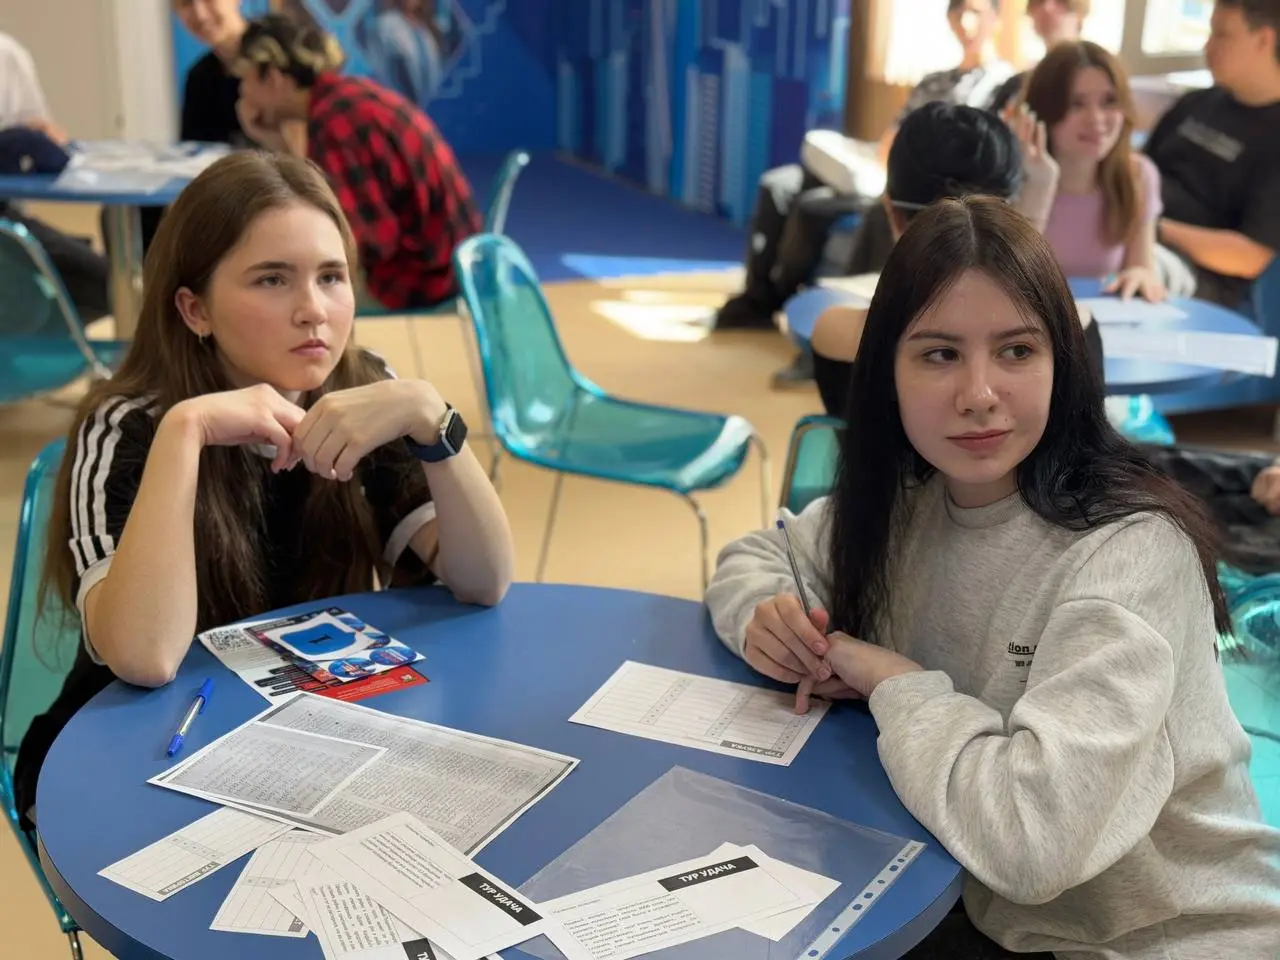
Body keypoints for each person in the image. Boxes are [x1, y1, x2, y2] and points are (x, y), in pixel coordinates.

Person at [706, 196, 1280, 958]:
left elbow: (1031, 839)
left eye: (1016, 351)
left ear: (1060, 364)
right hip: (981, 907)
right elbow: (758, 556)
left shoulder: (1129, 552)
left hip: (1165, 936)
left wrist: (893, 680)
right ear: (890, 373)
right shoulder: (907, 504)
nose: (979, 394)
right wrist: (764, 616)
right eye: (939, 354)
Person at [12, 151, 514, 828]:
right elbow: (145, 655)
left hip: (298, 735)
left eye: (331, 277)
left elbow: (483, 581)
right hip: (126, 755)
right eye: (272, 280)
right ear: (195, 310)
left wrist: (432, 416)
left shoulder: (366, 391)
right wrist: (186, 433)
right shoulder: (129, 425)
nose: (314, 311)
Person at [713, 0, 1013, 334]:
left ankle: (784, 298)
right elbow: (893, 136)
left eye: (976, 13)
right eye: (958, 13)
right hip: (880, 165)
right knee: (779, 184)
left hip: (918, 181)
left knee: (813, 206)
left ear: (996, 21)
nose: (966, 23)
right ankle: (757, 297)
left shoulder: (1002, 85)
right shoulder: (934, 81)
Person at [802, 101, 1104, 417]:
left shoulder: (836, 334)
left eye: (1015, 352)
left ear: (891, 212)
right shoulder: (1073, 331)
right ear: (1013, 212)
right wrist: (1030, 222)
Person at [233, 15, 481, 311]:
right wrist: (269, 138)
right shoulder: (345, 97)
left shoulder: (336, 125)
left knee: (284, 306)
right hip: (453, 264)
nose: (243, 95)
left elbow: (368, 242)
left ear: (272, 77)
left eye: (244, 80)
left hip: (424, 282)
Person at [1143, 0, 1280, 308]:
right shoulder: (1196, 103)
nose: (1209, 45)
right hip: (1137, 234)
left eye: (1222, 35)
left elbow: (1248, 256)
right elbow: (1137, 171)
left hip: (1197, 275)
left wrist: (1149, 226)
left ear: (1263, 40)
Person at [1018, 41, 1168, 299]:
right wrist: (1040, 185)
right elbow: (1013, 279)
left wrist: (1140, 277)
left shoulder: (1138, 175)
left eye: (1109, 102)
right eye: (1077, 104)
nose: (1096, 119)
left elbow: (1141, 268)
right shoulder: (1014, 178)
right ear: (1042, 113)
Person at [0, 30, 111, 324]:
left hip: (8, 218)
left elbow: (41, 128)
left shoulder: (7, 54)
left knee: (106, 284)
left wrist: (42, 135)